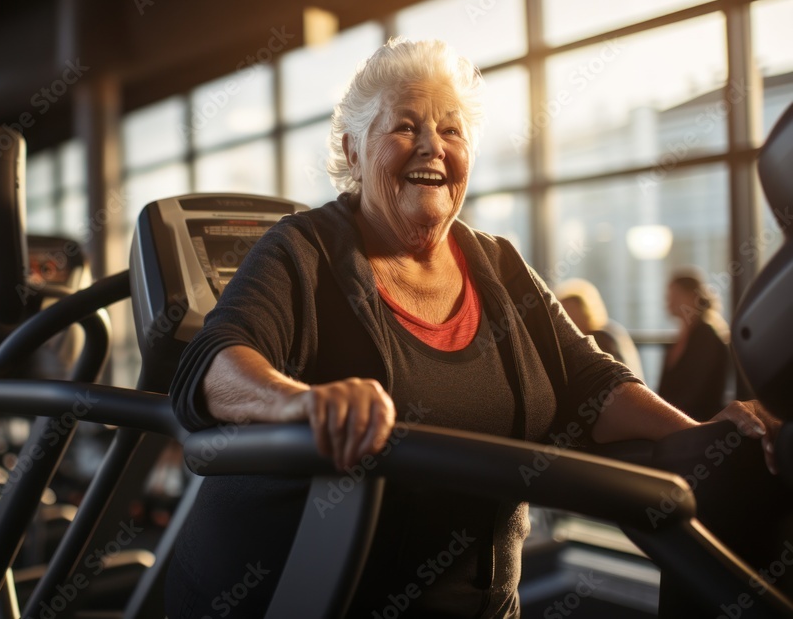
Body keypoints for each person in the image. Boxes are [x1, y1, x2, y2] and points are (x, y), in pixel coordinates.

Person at [166, 38, 777, 618]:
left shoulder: (498, 264)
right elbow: (214, 362)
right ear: (353, 149)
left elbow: (593, 383)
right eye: (406, 125)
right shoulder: (303, 250)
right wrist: (305, 405)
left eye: (451, 130)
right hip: (291, 598)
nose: (432, 146)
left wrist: (704, 439)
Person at [658, 269, 732, 421]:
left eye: (675, 295)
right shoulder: (679, 337)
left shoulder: (707, 338)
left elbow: (697, 392)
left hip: (697, 423)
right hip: (675, 420)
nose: (669, 301)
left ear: (692, 297)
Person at [556, 278, 645, 382]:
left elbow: (619, 376)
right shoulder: (567, 342)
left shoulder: (602, 338)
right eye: (564, 313)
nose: (567, 319)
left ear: (586, 312)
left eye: (571, 310)